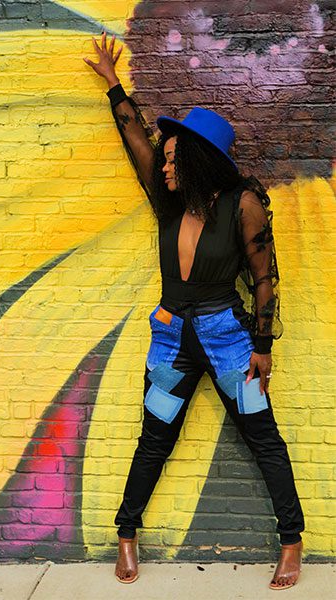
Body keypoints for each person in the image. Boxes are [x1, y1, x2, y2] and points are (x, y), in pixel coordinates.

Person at [83, 32, 304, 591]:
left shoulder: (242, 205)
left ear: (197, 159)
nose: (164, 165)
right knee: (154, 437)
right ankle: (126, 533)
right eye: (164, 158)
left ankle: (291, 541)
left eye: (173, 157)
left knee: (263, 437)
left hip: (229, 341)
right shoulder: (169, 204)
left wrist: (262, 348)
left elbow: (264, 278)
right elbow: (137, 140)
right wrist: (113, 85)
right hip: (170, 339)